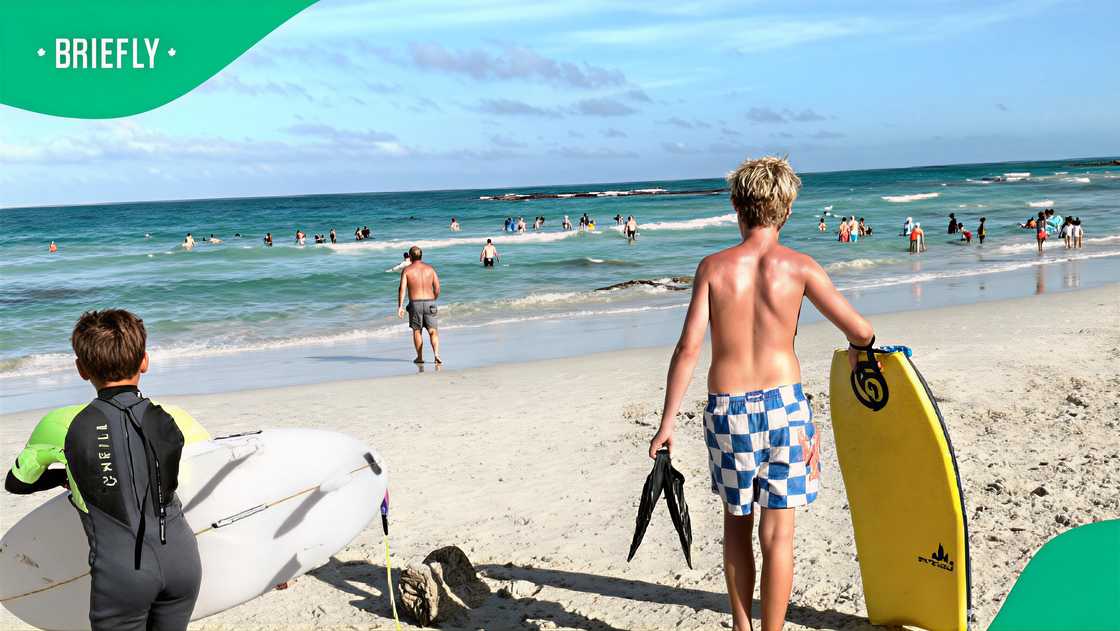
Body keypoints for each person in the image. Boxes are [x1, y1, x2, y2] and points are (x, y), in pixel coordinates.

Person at [647, 156, 873, 631]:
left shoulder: (713, 267)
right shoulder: (800, 268)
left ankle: (741, 627)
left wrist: (667, 422)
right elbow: (860, 328)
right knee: (779, 534)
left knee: (736, 524)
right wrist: (859, 349)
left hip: (727, 411)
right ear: (787, 211)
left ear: (736, 205)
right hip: (785, 408)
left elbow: (688, 348)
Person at [5, 310, 202, 630]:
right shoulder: (174, 417)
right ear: (145, 361)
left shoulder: (61, 424)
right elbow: (214, 471)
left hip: (123, 573)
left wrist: (66, 477)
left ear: (81, 369)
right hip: (184, 562)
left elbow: (17, 483)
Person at [397, 246, 441, 364]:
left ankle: (420, 357)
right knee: (433, 331)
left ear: (410, 257)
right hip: (430, 302)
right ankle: (436, 355)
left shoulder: (407, 270)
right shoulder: (430, 269)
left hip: (415, 304)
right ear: (421, 256)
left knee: (417, 331)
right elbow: (437, 288)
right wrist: (433, 299)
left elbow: (402, 289)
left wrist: (400, 306)